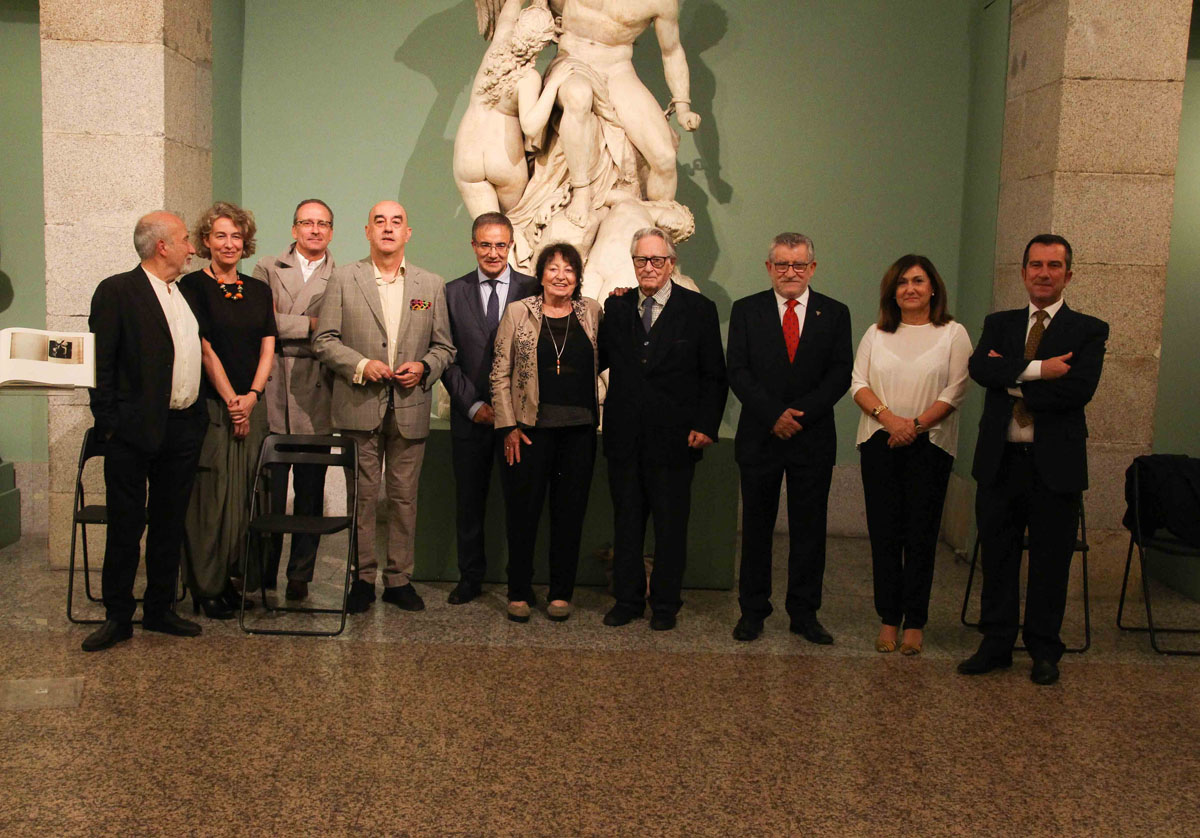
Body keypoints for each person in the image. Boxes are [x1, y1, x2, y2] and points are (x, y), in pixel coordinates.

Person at [959, 234, 1108, 686]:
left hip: (1055, 467)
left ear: (1068, 273)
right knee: (998, 556)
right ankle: (996, 642)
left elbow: (1077, 391)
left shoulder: (1088, 329)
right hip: (1000, 460)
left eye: (1054, 265)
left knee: (1050, 561)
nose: (1044, 273)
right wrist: (1041, 370)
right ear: (1022, 272)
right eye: (1036, 265)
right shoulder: (999, 323)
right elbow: (980, 369)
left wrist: (1011, 378)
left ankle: (1045, 648)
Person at [313, 201, 455, 615]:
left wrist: (425, 366)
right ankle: (363, 578)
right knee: (363, 497)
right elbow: (324, 341)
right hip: (359, 405)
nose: (388, 228)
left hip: (410, 407)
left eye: (397, 222)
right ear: (367, 231)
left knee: (404, 498)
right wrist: (360, 365)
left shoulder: (430, 285)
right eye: (380, 221)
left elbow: (445, 346)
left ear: (408, 233)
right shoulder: (343, 279)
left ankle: (398, 580)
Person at [82, 211, 208, 651]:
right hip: (133, 434)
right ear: (163, 246)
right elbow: (101, 364)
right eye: (186, 239)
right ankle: (118, 616)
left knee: (170, 524)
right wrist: (110, 425)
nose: (192, 247)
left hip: (183, 427)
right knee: (125, 525)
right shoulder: (118, 291)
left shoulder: (184, 293)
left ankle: (159, 608)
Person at [726, 233, 852, 644]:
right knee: (756, 529)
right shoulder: (747, 310)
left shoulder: (835, 313)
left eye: (798, 265)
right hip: (760, 436)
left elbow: (839, 373)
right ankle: (753, 611)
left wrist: (800, 415)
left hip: (811, 437)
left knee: (809, 530)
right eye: (782, 265)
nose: (790, 273)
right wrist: (772, 414)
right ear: (769, 268)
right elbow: (738, 370)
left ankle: (804, 613)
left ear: (812, 268)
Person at [599, 227, 727, 631]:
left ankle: (666, 604)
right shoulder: (616, 308)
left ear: (671, 264)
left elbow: (714, 376)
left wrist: (706, 425)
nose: (649, 267)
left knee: (671, 528)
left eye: (657, 260)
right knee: (627, 523)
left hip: (675, 440)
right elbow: (597, 358)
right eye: (641, 260)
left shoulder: (699, 310)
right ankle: (628, 600)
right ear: (633, 263)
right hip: (624, 438)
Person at [850, 255, 971, 656]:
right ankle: (888, 618)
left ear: (933, 287)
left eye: (918, 281)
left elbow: (955, 391)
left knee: (920, 536)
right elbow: (858, 384)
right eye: (902, 282)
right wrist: (891, 421)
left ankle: (915, 622)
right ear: (892, 291)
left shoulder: (953, 334)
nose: (910, 289)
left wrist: (915, 426)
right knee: (885, 536)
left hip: (930, 447)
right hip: (880, 444)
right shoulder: (876, 333)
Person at [490, 242, 603, 623]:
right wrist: (508, 425)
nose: (561, 275)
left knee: (569, 516)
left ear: (578, 277)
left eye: (569, 269)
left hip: (579, 433)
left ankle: (560, 593)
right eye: (553, 268)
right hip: (528, 431)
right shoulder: (518, 313)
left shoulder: (593, 313)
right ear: (540, 275)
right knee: (523, 515)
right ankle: (519, 592)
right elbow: (499, 373)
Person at [178, 202, 277, 620]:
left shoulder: (258, 289)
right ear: (206, 242)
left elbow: (268, 343)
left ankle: (237, 580)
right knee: (212, 500)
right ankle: (207, 586)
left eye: (236, 236)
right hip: (213, 408)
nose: (230, 243)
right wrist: (231, 399)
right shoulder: (192, 286)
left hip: (253, 405)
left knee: (249, 497)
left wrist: (252, 395)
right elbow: (203, 347)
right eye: (220, 235)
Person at [443, 212, 538, 605]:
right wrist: (473, 405)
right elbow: (446, 356)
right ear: (473, 246)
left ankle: (522, 582)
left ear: (511, 245)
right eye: (485, 244)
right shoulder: (450, 292)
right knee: (470, 503)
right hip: (471, 418)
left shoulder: (534, 288)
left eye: (501, 244)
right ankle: (470, 578)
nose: (493, 252)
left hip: (519, 421)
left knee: (522, 505)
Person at [251, 198, 337, 602]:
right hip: (271, 387)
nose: (315, 230)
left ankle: (300, 574)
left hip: (316, 392)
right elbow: (260, 322)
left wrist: (295, 328)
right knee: (268, 492)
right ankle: (262, 573)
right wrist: (313, 325)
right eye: (307, 223)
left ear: (331, 232)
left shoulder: (344, 274)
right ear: (293, 229)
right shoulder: (268, 267)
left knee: (309, 493)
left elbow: (341, 330)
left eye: (322, 224)